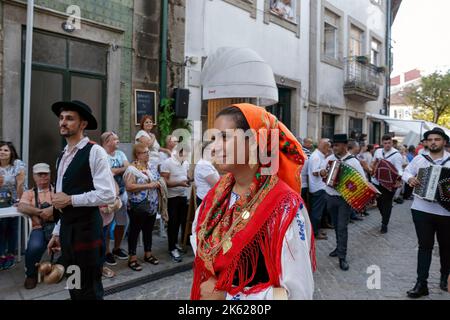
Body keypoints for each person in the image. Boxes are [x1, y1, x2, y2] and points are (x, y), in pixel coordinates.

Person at [190, 104, 314, 300]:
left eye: (225, 137)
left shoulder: (284, 207)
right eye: (213, 139)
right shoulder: (215, 196)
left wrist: (228, 297)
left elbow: (297, 295)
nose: (214, 148)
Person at [47, 100, 116, 300]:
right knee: (74, 283)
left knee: (89, 289)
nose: (63, 122)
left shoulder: (95, 152)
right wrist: (58, 231)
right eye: (61, 118)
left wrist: (71, 200)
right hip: (68, 231)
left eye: (69, 118)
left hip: (86, 232)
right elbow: (60, 199)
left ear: (83, 124)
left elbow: (108, 194)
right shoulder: (62, 156)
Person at [403, 128, 450, 298]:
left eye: (437, 139)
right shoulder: (419, 159)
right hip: (421, 209)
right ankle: (421, 283)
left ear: (444, 142)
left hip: (446, 212)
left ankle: (445, 277)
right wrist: (409, 179)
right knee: (424, 246)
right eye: (430, 139)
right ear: (425, 142)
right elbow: (406, 171)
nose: (433, 142)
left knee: (446, 247)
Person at [320, 134, 366, 271]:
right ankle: (338, 247)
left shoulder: (353, 162)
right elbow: (321, 173)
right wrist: (323, 172)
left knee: (342, 227)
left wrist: (349, 185)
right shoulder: (330, 159)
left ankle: (342, 257)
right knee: (335, 225)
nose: (334, 148)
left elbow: (362, 181)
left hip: (344, 199)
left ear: (345, 146)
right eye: (333, 146)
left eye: (336, 145)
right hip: (330, 196)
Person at [124, 143, 161, 271]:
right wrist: (148, 186)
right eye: (145, 152)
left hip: (151, 203)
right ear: (137, 154)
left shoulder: (150, 166)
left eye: (148, 152)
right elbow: (129, 186)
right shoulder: (132, 169)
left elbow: (157, 179)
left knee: (148, 230)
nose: (148, 154)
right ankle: (132, 258)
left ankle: (148, 254)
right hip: (137, 205)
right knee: (134, 231)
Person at [18, 163, 54, 289]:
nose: (43, 176)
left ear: (50, 175)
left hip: (57, 226)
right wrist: (40, 212)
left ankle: (64, 266)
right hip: (38, 227)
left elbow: (64, 204)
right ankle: (31, 274)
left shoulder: (57, 189)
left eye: (46, 173)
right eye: (40, 174)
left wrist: (50, 210)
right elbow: (22, 206)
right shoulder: (29, 193)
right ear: (34, 176)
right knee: (34, 246)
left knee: (72, 241)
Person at [100, 131, 130, 265]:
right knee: (107, 224)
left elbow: (128, 168)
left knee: (121, 222)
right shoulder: (101, 154)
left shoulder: (120, 154)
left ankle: (117, 248)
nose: (118, 141)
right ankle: (106, 252)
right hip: (108, 196)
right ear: (107, 142)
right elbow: (107, 172)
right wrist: (120, 169)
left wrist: (114, 170)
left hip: (122, 193)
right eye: (115, 139)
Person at [160, 147, 191, 263]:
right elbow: (164, 182)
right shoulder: (167, 163)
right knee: (172, 223)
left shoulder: (186, 163)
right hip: (171, 197)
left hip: (183, 195)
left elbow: (186, 176)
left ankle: (175, 243)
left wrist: (189, 179)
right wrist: (179, 183)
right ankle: (171, 248)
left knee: (181, 221)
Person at [0, 141, 26, 270]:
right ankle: (1, 255)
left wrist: (19, 200)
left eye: (5, 150)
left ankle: (10, 255)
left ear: (11, 153)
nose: (2, 152)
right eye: (0, 150)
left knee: (12, 226)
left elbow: (20, 184)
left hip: (17, 198)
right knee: (1, 226)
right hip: (1, 201)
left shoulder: (17, 164)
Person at [370, 135, 403, 234]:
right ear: (382, 143)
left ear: (392, 143)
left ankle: (384, 224)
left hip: (389, 184)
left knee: (387, 204)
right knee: (379, 203)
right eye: (385, 143)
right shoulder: (378, 151)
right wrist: (373, 168)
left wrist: (399, 180)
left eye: (389, 143)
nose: (387, 145)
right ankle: (384, 216)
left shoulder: (397, 155)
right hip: (376, 182)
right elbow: (373, 162)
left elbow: (399, 170)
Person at [308, 138, 331, 240]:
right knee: (316, 212)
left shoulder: (318, 155)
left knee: (319, 211)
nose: (329, 149)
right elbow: (314, 172)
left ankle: (318, 229)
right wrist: (323, 171)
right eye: (328, 147)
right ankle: (315, 233)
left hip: (319, 187)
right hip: (318, 188)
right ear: (324, 146)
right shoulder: (316, 157)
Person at [194, 141, 220, 208]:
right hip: (205, 200)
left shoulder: (207, 163)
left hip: (207, 199)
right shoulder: (204, 165)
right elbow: (216, 184)